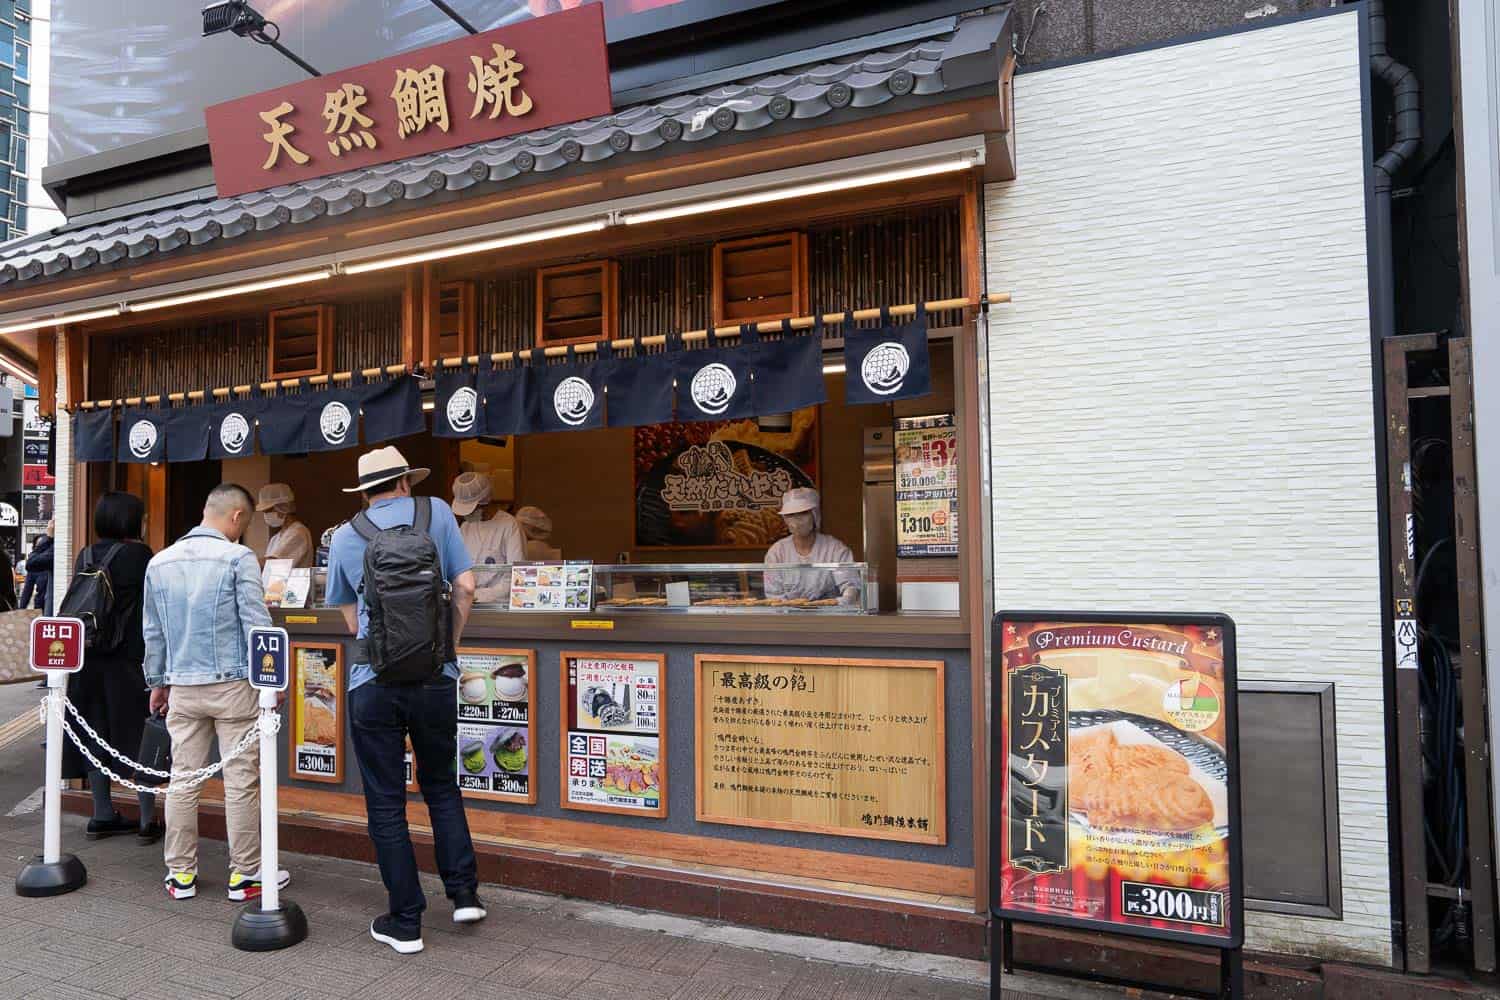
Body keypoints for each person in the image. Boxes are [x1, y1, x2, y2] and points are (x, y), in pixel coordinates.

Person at [326, 446, 482, 955]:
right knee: (441, 786)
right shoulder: (437, 512)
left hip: (374, 683)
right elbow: (466, 587)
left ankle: (406, 920)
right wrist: (447, 647)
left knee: (387, 803)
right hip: (436, 678)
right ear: (405, 483)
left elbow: (350, 620)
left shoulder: (348, 534)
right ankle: (463, 895)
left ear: (365, 491)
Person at [143, 483, 288, 902]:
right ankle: (245, 877)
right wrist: (271, 682)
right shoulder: (238, 557)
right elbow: (257, 625)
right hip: (233, 687)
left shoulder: (161, 562)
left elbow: (153, 632)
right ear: (238, 517)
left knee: (183, 780)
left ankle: (180, 875)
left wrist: (157, 682)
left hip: (183, 687)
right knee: (241, 781)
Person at [61, 493, 160, 844]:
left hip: (85, 659)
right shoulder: (140, 556)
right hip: (127, 660)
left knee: (92, 730)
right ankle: (147, 820)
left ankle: (102, 813)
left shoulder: (84, 555)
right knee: (139, 733)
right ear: (131, 520)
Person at [763, 488, 861, 604]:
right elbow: (774, 596)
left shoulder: (835, 549)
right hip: (789, 618)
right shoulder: (777, 552)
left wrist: (839, 602)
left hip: (830, 617)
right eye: (791, 515)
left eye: (803, 513)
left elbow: (851, 586)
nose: (796, 520)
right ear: (785, 519)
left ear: (815, 515)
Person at [451, 472, 525, 603]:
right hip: (467, 601)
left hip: (499, 603)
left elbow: (517, 575)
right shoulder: (466, 527)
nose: (467, 515)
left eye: (471, 510)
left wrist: (481, 595)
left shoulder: (509, 525)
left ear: (485, 502)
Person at [256, 483, 313, 568]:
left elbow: (275, 563)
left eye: (268, 511)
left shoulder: (298, 533)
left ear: (282, 508)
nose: (266, 515)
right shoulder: (275, 538)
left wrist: (245, 562)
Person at [20, 520, 54, 611]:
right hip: (40, 607)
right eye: (38, 546)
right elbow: (27, 591)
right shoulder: (34, 568)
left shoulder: (51, 557)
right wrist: (20, 609)